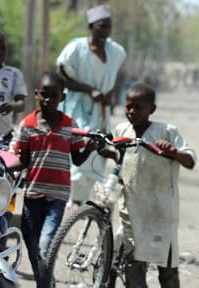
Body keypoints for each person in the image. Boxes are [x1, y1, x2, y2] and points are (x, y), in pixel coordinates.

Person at [12, 72, 100, 287]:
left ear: (63, 98)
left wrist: (89, 147)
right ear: (36, 95)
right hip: (32, 194)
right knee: (32, 246)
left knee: (45, 246)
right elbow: (21, 160)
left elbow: (77, 159)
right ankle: (46, 283)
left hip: (57, 196)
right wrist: (5, 162)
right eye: (44, 94)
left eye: (54, 95)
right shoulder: (28, 124)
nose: (48, 100)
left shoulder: (70, 125)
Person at [114, 83, 196, 288]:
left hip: (161, 212)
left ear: (152, 109)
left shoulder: (166, 132)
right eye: (128, 106)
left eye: (138, 107)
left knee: (166, 268)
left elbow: (190, 160)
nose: (132, 111)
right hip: (132, 211)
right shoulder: (122, 130)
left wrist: (173, 152)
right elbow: (117, 157)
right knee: (133, 265)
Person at [56, 4, 126, 206]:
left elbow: (112, 80)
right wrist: (88, 90)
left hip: (99, 110)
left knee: (98, 147)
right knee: (79, 144)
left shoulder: (115, 51)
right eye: (101, 26)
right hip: (76, 105)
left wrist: (107, 96)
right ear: (91, 26)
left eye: (108, 26)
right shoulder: (76, 47)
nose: (105, 30)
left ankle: (83, 200)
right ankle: (70, 198)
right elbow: (62, 77)